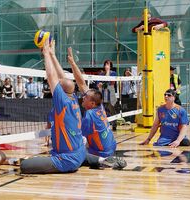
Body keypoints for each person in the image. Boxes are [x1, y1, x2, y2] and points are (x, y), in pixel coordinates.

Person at [20, 39, 86, 174]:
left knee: (25, 165)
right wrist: (53, 54)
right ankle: (97, 160)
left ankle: (95, 159)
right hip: (80, 152)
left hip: (66, 159)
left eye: (59, 83)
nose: (58, 81)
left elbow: (51, 77)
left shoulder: (62, 101)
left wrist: (46, 54)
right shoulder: (73, 98)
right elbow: (62, 77)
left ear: (61, 90)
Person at [68, 47, 126, 170]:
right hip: (111, 146)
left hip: (102, 152)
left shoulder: (89, 116)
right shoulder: (99, 106)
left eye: (85, 98)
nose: (83, 98)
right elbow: (82, 84)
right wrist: (72, 63)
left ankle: (103, 161)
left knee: (73, 152)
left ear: (92, 103)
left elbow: (79, 138)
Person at [99, 60, 117, 131]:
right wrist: (101, 84)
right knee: (102, 109)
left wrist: (108, 71)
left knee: (112, 108)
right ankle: (103, 125)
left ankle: (114, 124)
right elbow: (99, 83)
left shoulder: (113, 73)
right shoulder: (101, 74)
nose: (106, 66)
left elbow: (111, 83)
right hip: (103, 93)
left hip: (110, 93)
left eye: (108, 64)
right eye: (106, 64)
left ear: (110, 66)